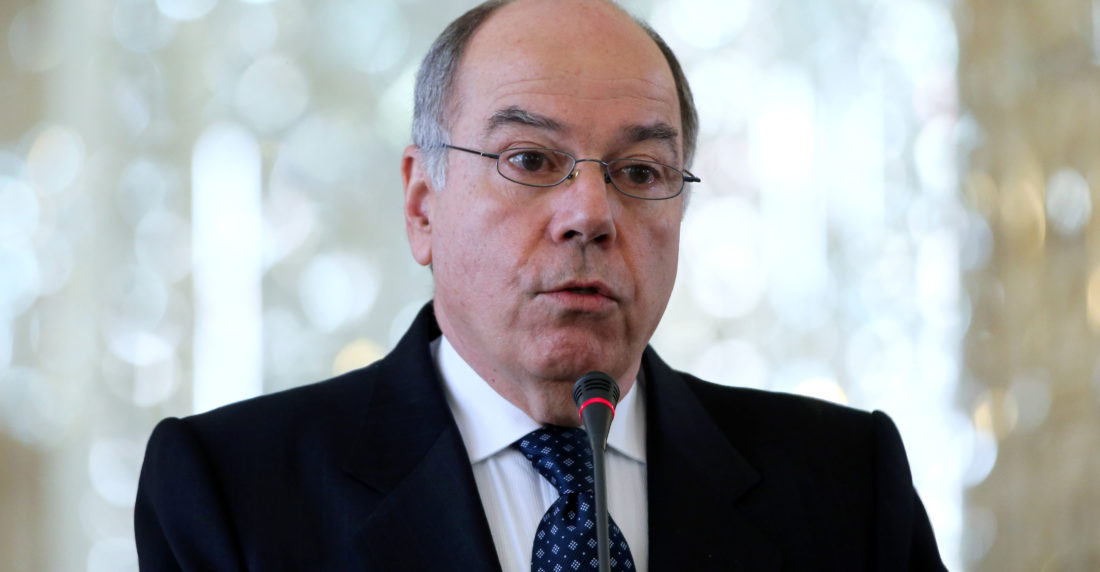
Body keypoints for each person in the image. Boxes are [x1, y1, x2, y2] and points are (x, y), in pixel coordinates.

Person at [134, 0, 947, 570]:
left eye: (640, 171)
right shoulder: (230, 490)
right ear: (422, 205)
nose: (590, 214)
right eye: (529, 160)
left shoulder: (847, 484)